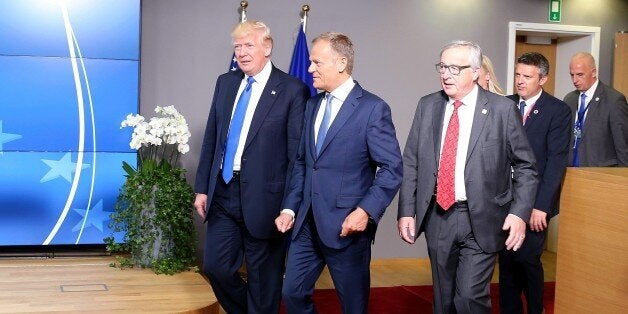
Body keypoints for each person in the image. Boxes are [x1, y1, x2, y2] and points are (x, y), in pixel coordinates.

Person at [397, 40, 538, 314]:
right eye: (442, 66)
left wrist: (520, 213)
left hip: (483, 219)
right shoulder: (428, 106)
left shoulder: (501, 109)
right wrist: (406, 211)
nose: (445, 73)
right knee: (444, 300)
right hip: (439, 215)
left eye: (454, 68)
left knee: (470, 299)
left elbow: (526, 166)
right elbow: (412, 161)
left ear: (475, 71)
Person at [276, 32, 403, 314]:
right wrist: (289, 209)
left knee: (353, 307)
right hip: (306, 224)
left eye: (317, 63)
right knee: (292, 295)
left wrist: (365, 211)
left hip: (347, 227)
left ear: (342, 63)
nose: (310, 70)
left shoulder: (373, 108)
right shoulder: (311, 105)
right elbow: (302, 163)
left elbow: (392, 168)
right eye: (309, 62)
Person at [193, 20, 309, 314]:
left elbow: (298, 155)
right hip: (224, 191)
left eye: (249, 45)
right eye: (237, 46)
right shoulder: (226, 82)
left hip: (267, 200)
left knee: (264, 282)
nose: (242, 53)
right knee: (216, 267)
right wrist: (202, 189)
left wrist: (289, 206)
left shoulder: (292, 90)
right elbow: (212, 138)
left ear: (267, 48)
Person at [500, 52, 572, 314]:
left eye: (527, 76)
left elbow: (555, 161)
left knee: (528, 260)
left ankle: (536, 309)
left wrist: (541, 206)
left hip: (535, 204)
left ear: (543, 78)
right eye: (518, 74)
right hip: (504, 201)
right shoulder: (504, 105)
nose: (520, 81)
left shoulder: (558, 111)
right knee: (507, 262)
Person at [564, 52, 628, 166]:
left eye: (580, 74)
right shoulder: (569, 99)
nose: (575, 80)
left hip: (600, 173)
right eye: (572, 75)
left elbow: (622, 146)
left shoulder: (614, 100)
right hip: (570, 171)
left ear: (593, 72)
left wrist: (623, 179)